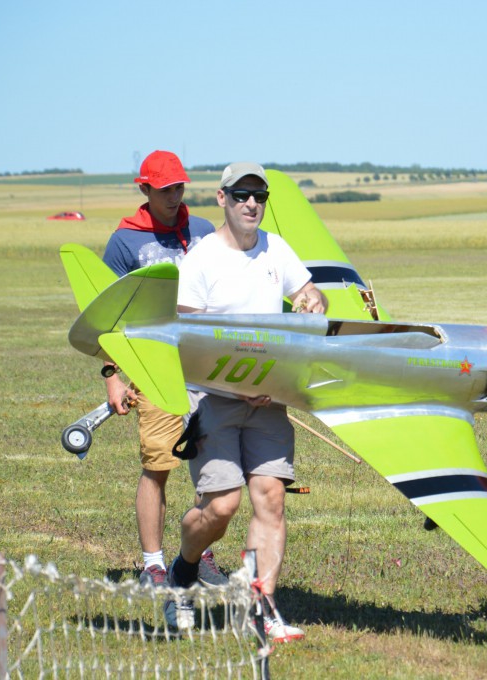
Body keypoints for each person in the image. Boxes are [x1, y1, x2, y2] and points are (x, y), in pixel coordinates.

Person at [169, 162, 327, 641]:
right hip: (214, 398)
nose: (251, 204)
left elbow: (309, 291)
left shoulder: (275, 248)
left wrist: (313, 301)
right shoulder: (201, 260)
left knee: (271, 498)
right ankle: (183, 570)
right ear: (222, 198)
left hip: (269, 400)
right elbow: (188, 341)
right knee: (221, 507)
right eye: (241, 195)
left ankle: (261, 607)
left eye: (259, 196)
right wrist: (238, 386)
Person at [102, 150, 228, 592]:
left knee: (211, 463)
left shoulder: (204, 232)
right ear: (145, 190)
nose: (175, 196)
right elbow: (108, 317)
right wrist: (113, 377)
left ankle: (199, 555)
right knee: (158, 464)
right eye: (165, 189)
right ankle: (153, 565)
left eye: (179, 187)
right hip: (154, 368)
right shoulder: (124, 242)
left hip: (207, 366)